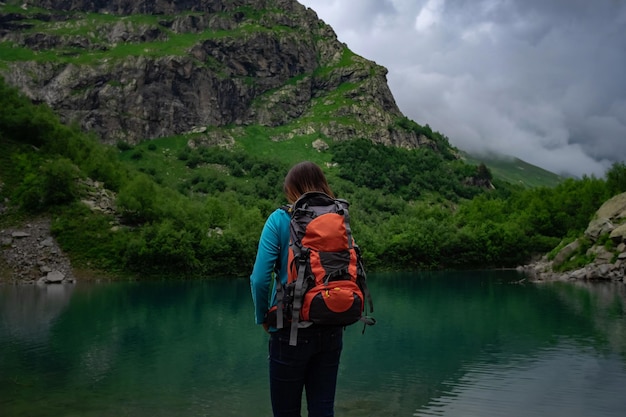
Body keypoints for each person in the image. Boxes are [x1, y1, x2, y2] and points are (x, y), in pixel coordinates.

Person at [250, 161, 344, 417]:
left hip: (289, 326)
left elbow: (259, 279)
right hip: (332, 322)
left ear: (292, 189)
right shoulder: (339, 219)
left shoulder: (280, 219)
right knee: (323, 409)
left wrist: (263, 317)